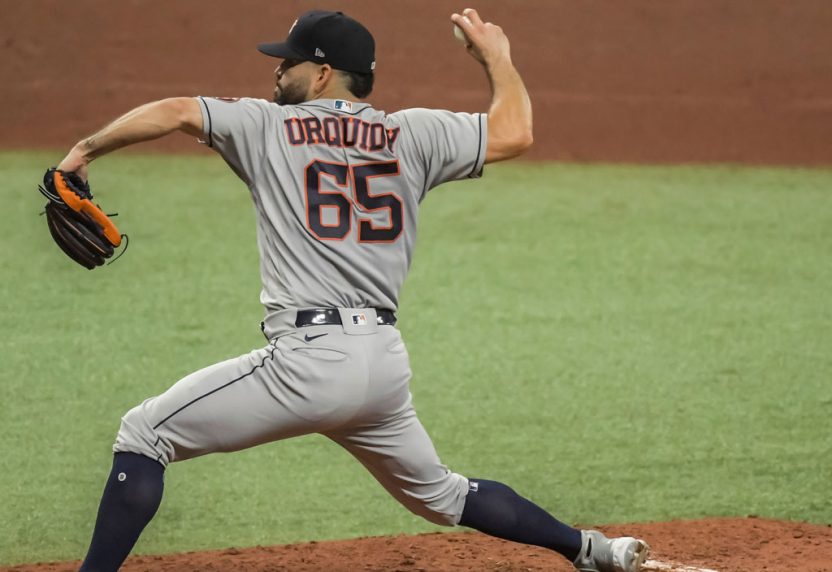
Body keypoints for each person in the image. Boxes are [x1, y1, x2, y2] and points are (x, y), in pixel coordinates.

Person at [56, 8, 650, 572]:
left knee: (146, 433)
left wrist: (84, 151)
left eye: (287, 62)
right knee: (441, 495)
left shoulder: (268, 125)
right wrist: (497, 58)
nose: (275, 71)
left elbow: (179, 110)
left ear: (320, 73)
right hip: (382, 367)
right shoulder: (412, 133)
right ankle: (593, 550)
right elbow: (515, 132)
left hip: (308, 364)